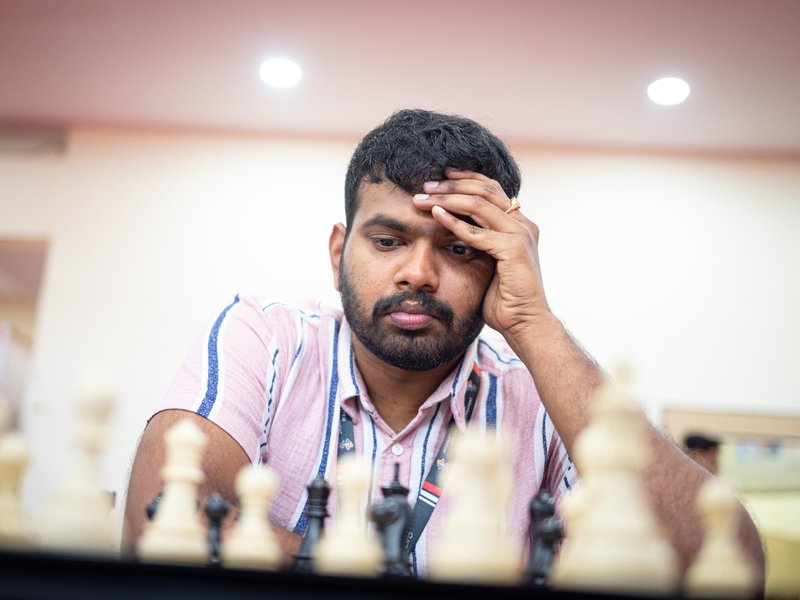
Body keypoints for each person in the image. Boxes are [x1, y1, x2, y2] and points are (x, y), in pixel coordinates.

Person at [122, 109, 764, 583]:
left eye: (459, 248)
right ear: (338, 251)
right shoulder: (265, 337)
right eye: (388, 241)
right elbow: (164, 524)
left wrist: (534, 322)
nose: (419, 274)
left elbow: (726, 563)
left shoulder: (539, 395)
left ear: (498, 264)